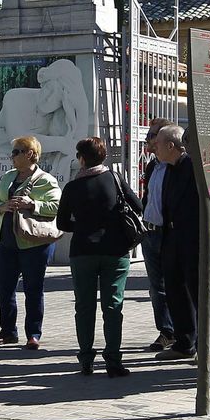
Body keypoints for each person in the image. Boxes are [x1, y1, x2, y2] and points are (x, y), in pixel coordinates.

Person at [55, 136, 142, 376]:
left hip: (83, 251)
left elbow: (62, 222)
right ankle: (113, 360)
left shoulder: (72, 187)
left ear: (81, 158)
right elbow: (138, 206)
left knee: (84, 306)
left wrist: (83, 226)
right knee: (113, 305)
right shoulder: (114, 179)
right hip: (115, 250)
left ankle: (86, 359)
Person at [0, 135, 61, 349]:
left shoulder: (45, 180)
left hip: (33, 243)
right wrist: (1, 207)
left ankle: (33, 333)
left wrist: (32, 204)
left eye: (17, 152)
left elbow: (56, 206)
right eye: (13, 152)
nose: (12, 156)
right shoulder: (9, 176)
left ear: (30, 154)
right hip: (7, 241)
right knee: (5, 288)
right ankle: (8, 332)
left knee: (33, 289)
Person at [150, 123, 205, 360]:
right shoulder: (166, 168)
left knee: (198, 292)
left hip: (192, 240)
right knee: (174, 291)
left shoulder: (193, 167)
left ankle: (206, 345)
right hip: (170, 237)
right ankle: (184, 342)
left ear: (171, 146)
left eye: (158, 143)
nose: (154, 148)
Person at [139, 120, 177, 351]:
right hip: (150, 233)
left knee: (174, 284)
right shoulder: (153, 166)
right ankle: (165, 331)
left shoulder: (178, 166)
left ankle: (180, 330)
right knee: (156, 287)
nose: (149, 140)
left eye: (152, 135)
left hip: (169, 234)